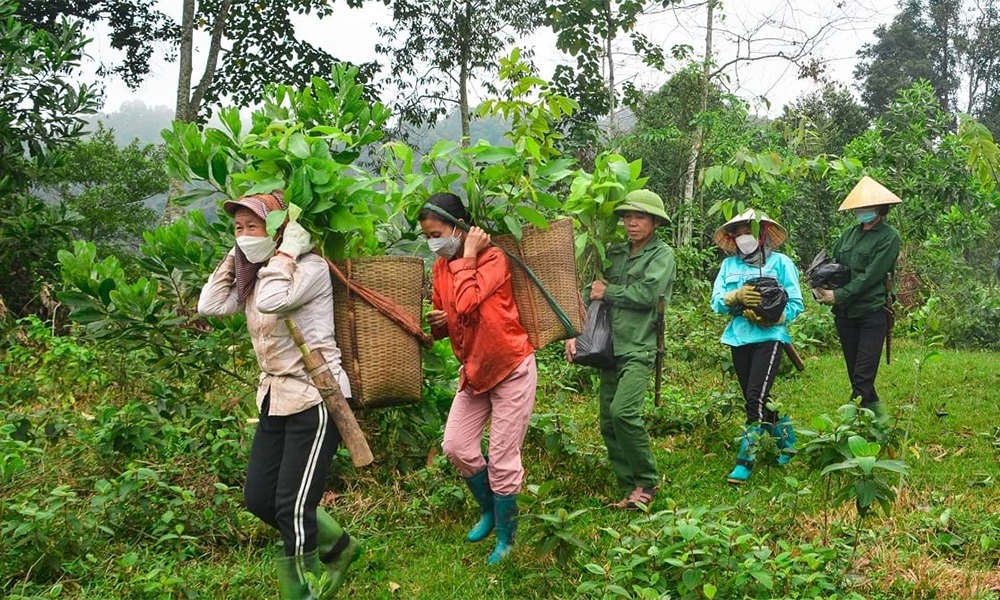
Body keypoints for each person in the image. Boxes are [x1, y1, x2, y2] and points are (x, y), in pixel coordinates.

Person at [198, 191, 361, 599]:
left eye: (254, 226)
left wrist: (286, 253)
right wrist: (237, 256)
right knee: (259, 498)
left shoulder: (309, 268)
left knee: (292, 505)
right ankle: (340, 548)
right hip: (275, 398)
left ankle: (301, 593)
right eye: (238, 228)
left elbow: (272, 302)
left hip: (315, 398)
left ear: (281, 229)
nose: (245, 234)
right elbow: (210, 304)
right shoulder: (255, 275)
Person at [418, 192, 537, 565]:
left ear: (461, 228)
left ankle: (508, 538)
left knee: (502, 458)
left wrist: (467, 255)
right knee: (456, 446)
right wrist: (439, 323)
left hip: (510, 367)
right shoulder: (440, 267)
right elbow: (452, 317)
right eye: (427, 236)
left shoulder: (493, 258)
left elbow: (468, 301)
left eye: (437, 233)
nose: (433, 242)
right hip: (474, 369)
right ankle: (489, 508)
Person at [565, 190, 675, 509]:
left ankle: (647, 481)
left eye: (639, 217)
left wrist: (609, 291)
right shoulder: (613, 253)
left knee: (623, 412)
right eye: (627, 216)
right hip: (609, 347)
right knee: (607, 421)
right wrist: (575, 332)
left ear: (655, 222)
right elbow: (591, 292)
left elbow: (648, 294)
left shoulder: (662, 255)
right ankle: (629, 487)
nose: (632, 223)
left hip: (639, 346)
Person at [710, 209, 804, 484]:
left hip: (770, 337)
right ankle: (788, 439)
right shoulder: (729, 267)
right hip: (739, 337)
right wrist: (734, 296)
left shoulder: (781, 263)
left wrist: (776, 316)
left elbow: (796, 303)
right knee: (757, 398)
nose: (743, 239)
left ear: (762, 234)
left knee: (755, 398)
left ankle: (746, 458)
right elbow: (716, 301)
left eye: (747, 232)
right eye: (737, 234)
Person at [814, 176, 901, 420]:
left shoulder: (889, 237)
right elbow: (835, 267)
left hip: (872, 312)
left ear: (880, 208)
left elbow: (870, 277)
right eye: (859, 207)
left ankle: (848, 426)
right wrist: (821, 286)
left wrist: (838, 295)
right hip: (845, 314)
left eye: (867, 207)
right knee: (856, 373)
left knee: (863, 375)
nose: (862, 211)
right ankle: (880, 423)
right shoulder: (848, 235)